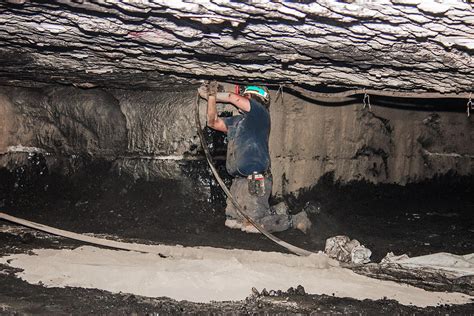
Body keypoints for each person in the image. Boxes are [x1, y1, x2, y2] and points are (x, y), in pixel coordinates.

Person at [198, 81, 311, 234]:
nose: (243, 98)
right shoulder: (238, 122)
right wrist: (211, 100)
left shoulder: (260, 113)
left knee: (254, 225)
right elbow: (213, 122)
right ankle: (277, 209)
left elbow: (232, 97)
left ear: (253, 98)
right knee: (232, 222)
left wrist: (210, 94)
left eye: (246, 96)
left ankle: (296, 220)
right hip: (239, 181)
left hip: (255, 179)